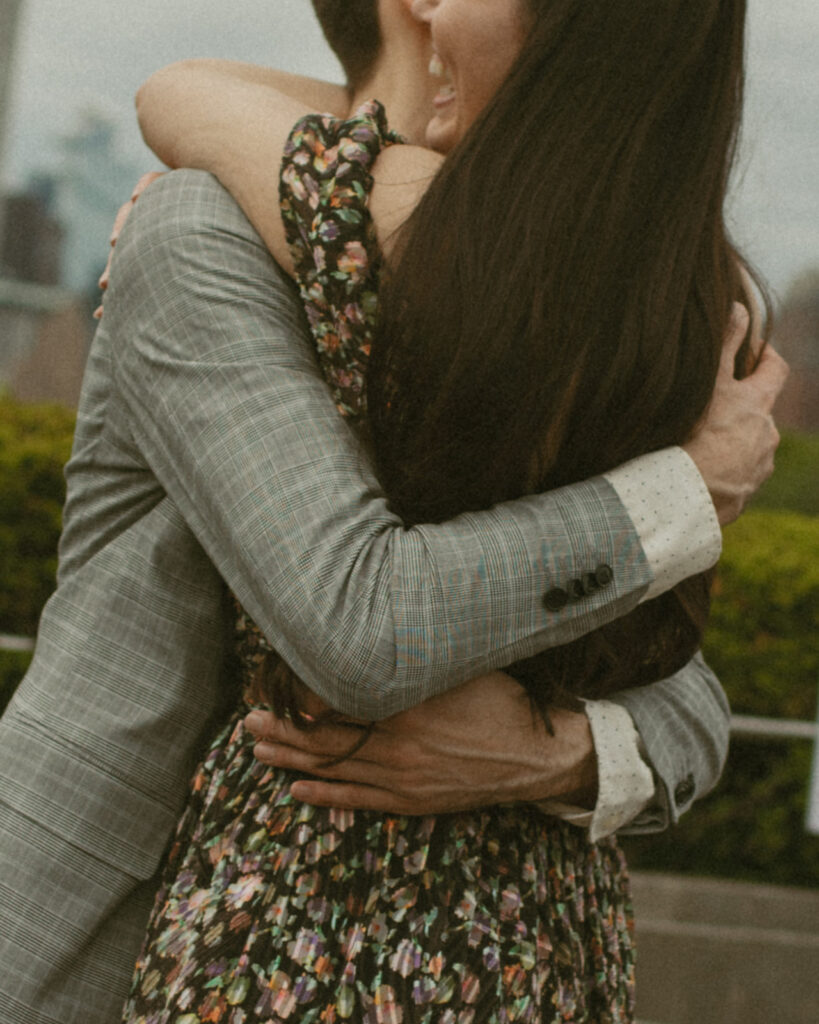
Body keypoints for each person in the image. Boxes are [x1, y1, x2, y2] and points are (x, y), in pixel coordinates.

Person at [0, 1, 785, 1022]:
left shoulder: (562, 325)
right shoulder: (201, 233)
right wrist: (686, 489)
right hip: (134, 920)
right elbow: (357, 623)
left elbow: (682, 692)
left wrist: (554, 751)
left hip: (503, 956)